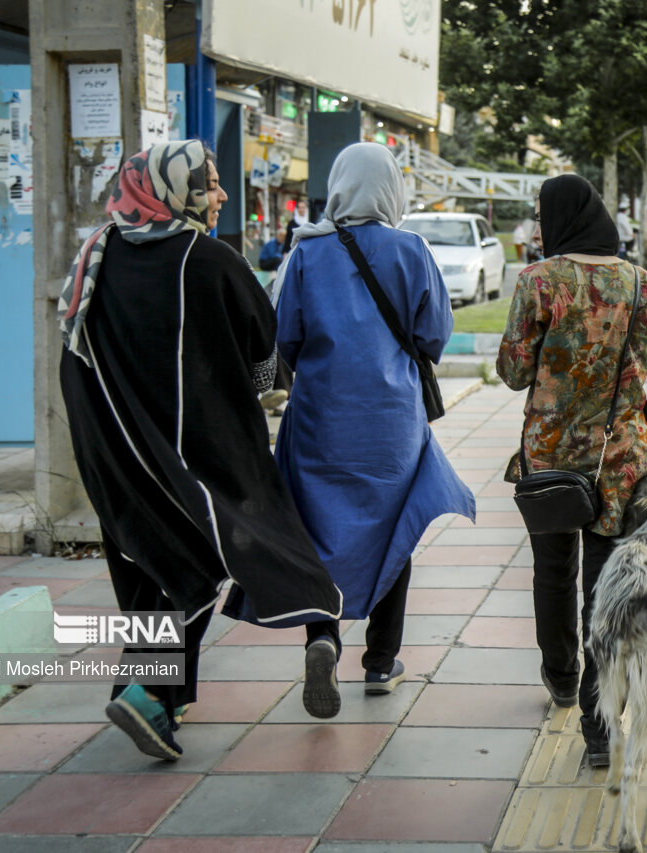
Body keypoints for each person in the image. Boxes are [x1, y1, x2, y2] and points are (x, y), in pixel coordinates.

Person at [58, 140, 345, 762]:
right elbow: (265, 367)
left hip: (114, 453)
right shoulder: (209, 259)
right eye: (209, 184)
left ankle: (162, 697)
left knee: (148, 566)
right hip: (197, 453)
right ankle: (150, 693)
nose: (218, 196)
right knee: (208, 559)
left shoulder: (96, 254)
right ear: (172, 190)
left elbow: (72, 355)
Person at [497, 174, 647, 767]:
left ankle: (559, 674)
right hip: (621, 464)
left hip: (550, 460)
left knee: (553, 574)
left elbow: (512, 371)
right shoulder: (640, 284)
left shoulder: (538, 283)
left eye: (540, 214)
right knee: (605, 590)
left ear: (558, 219)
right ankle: (599, 723)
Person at [274, 142, 476, 695]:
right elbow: (433, 336)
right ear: (391, 187)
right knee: (395, 528)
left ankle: (324, 638)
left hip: (320, 417)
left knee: (318, 530)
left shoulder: (307, 254)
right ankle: (381, 663)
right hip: (390, 423)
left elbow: (284, 337)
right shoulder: (411, 250)